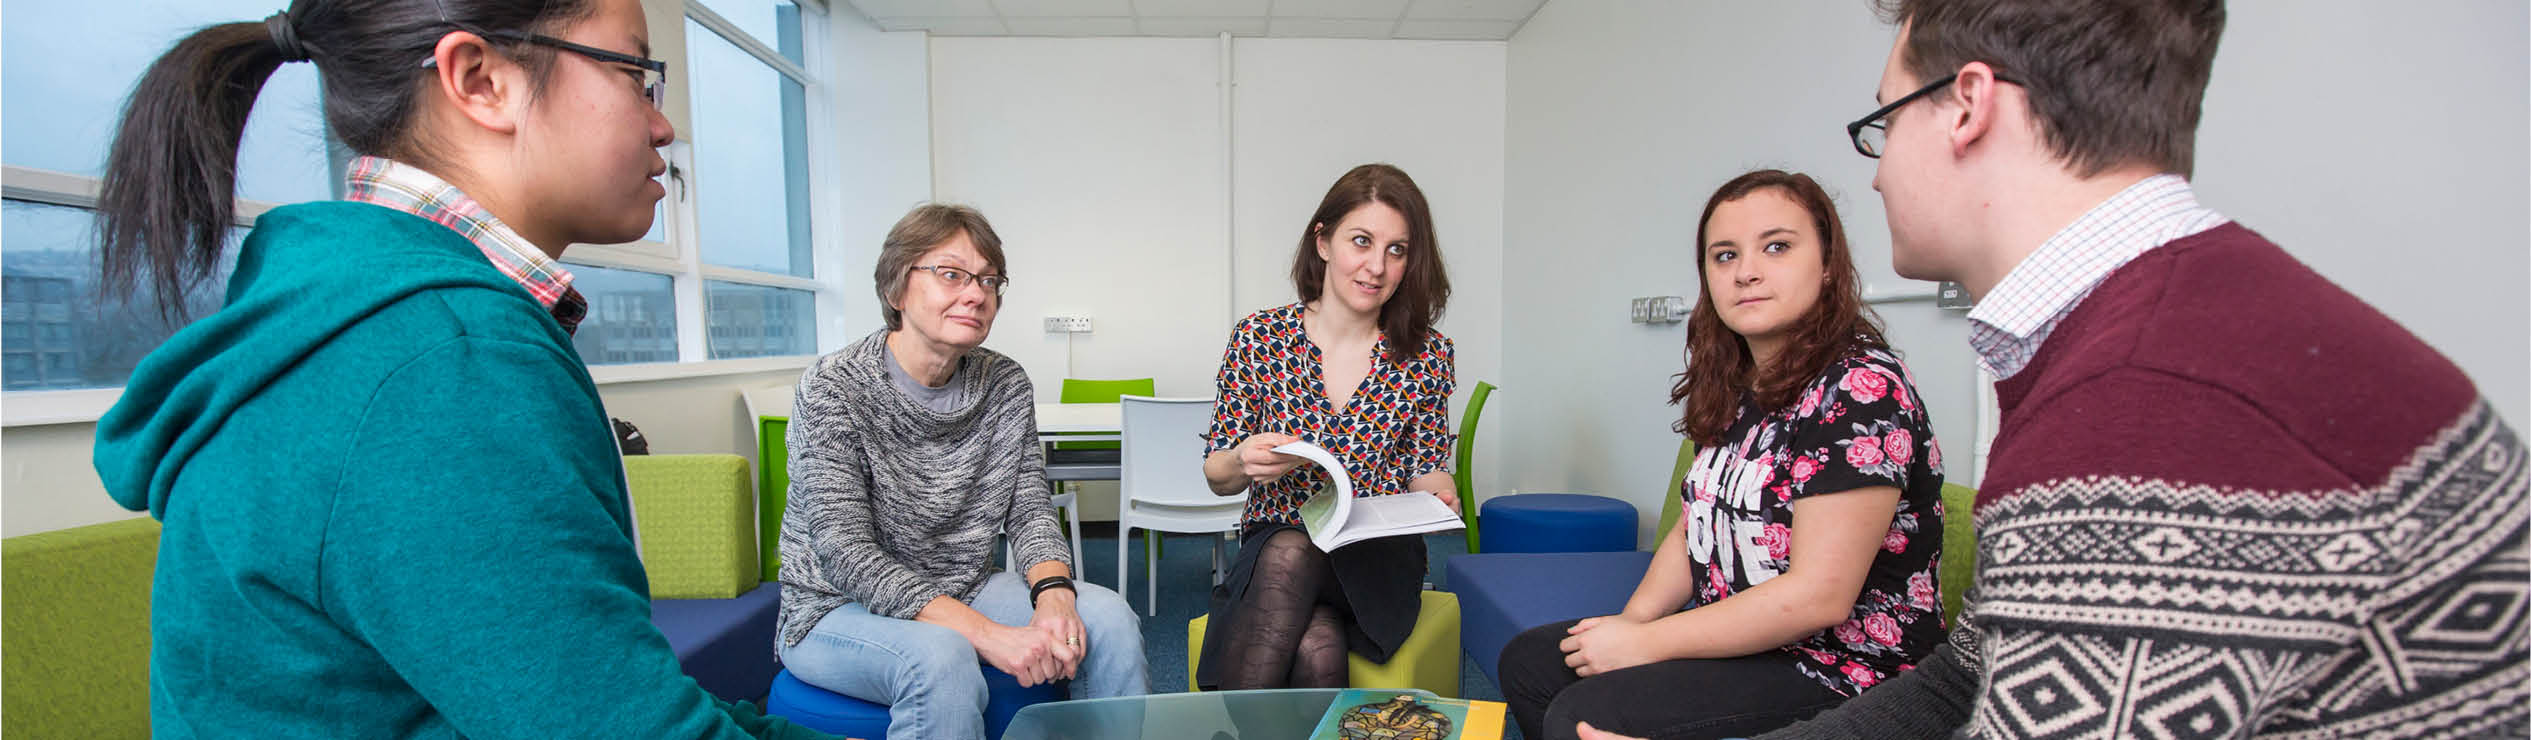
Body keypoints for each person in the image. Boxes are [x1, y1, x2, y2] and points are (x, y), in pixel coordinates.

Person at [1760, 0, 2530, 737]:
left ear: (1967, 105)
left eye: (1885, 123)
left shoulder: (2144, 405)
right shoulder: (2179, 325)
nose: (1876, 173)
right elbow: (1961, 682)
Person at [87, 0, 826, 736]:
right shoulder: (441, 361)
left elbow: (604, 693)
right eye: (637, 75)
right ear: (481, 81)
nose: (664, 127)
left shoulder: (375, 313)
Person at [1498, 170, 1947, 740]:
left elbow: (1819, 598)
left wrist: (1645, 643)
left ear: (1829, 264)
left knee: (1582, 711)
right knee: (1533, 662)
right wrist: (1629, 624)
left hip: (1842, 668)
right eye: (1724, 255)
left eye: (1777, 246)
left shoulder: (1862, 387)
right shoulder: (1737, 382)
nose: (1747, 271)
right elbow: (1697, 523)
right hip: (1744, 640)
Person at [777, 204, 1147, 740]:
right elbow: (847, 555)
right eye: (951, 274)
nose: (976, 293)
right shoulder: (834, 387)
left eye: (988, 280)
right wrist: (989, 636)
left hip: (962, 585)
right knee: (942, 658)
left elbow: (1029, 509)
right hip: (836, 609)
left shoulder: (1004, 382)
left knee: (1109, 618)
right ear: (897, 288)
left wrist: (1055, 593)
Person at [1195, 163, 1460, 691]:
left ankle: (1218, 726)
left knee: (1292, 560)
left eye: (1396, 250)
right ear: (1323, 242)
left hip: (1375, 560)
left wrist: (1440, 492)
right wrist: (1242, 459)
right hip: (1276, 542)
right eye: (1361, 241)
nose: (1376, 267)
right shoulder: (1259, 337)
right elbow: (1217, 475)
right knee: (1316, 643)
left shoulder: (1427, 355)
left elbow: (1424, 468)